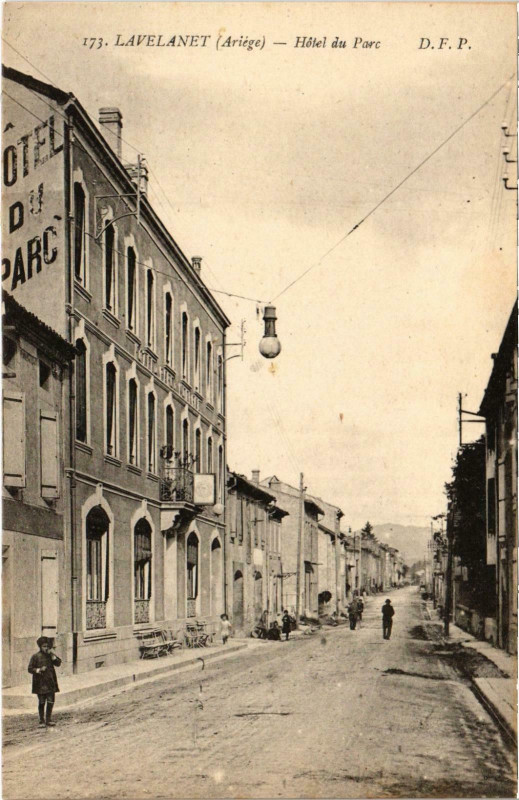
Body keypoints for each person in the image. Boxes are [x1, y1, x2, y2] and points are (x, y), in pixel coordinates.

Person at [28, 636, 62, 728]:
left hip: (50, 682)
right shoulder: (35, 656)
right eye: (44, 646)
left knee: (51, 701)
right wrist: (39, 670)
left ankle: (49, 719)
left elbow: (58, 663)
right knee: (42, 702)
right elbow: (30, 669)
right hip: (40, 683)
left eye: (47, 646)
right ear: (40, 647)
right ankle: (41, 720)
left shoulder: (50, 656)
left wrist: (53, 655)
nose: (46, 648)